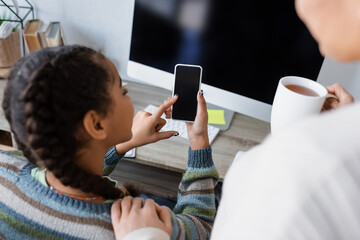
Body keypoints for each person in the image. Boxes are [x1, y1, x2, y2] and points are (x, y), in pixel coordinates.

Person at [110, 0, 360, 239]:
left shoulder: (276, 167)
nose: (300, 5)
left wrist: (124, 145)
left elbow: (79, 171)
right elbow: (198, 225)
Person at [0, 45, 219, 239]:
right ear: (96, 125)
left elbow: (69, 167)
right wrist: (199, 139)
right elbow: (201, 227)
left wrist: (123, 145)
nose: (129, 98)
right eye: (123, 91)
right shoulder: (139, 226)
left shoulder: (6, 170)